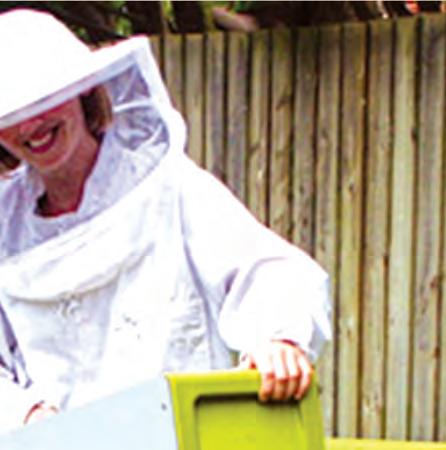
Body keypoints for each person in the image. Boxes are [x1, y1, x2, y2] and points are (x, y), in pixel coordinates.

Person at [0, 9, 331, 432]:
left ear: (83, 90)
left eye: (46, 98)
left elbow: (268, 268)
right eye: (11, 111)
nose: (31, 123)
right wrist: (27, 414)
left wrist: (278, 340)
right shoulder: (6, 228)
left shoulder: (167, 187)